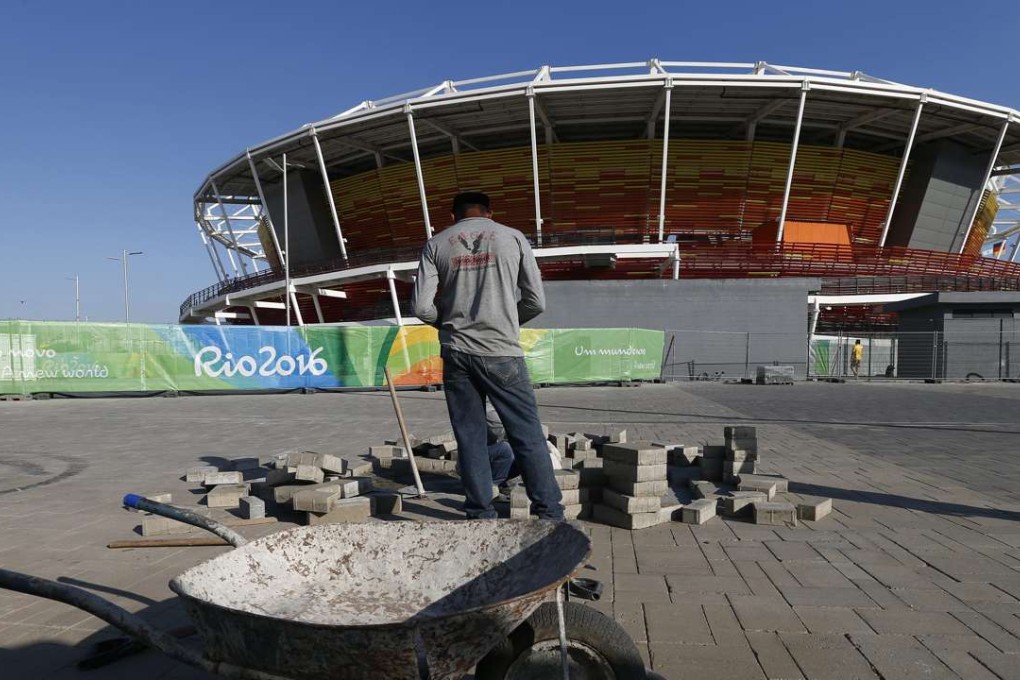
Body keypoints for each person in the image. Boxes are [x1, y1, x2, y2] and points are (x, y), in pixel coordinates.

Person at [413, 191, 564, 520]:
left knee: (470, 439)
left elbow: (421, 307)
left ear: (453, 217)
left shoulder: (437, 244)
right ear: (490, 213)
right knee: (527, 436)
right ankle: (549, 514)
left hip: (457, 353)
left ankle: (480, 514)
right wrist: (507, 321)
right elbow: (536, 301)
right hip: (501, 351)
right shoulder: (513, 238)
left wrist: (450, 324)